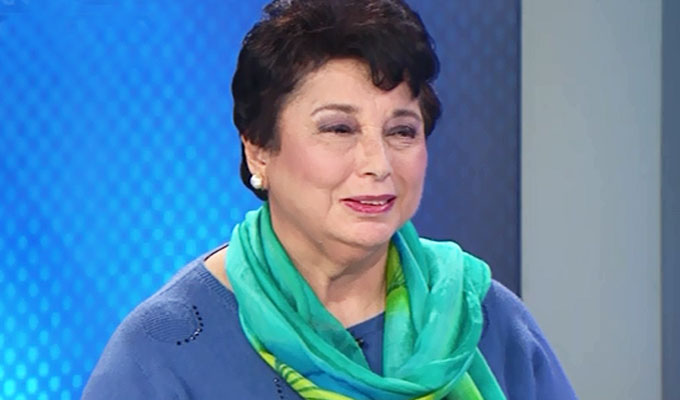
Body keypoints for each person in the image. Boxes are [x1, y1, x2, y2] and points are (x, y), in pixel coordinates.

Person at [83, 0, 577, 399]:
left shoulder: (484, 317)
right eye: (339, 129)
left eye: (402, 131)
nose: (378, 164)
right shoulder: (165, 352)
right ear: (258, 149)